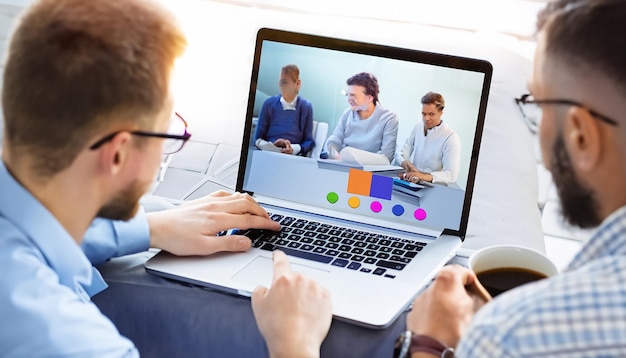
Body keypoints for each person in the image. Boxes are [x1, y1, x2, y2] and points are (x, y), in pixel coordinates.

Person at [0, 0, 331, 356]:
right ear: (117, 154)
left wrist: (151, 227)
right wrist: (294, 344)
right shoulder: (73, 342)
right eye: (167, 133)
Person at [402, 0, 626, 356]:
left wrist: (429, 345)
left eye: (536, 104)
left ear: (581, 135)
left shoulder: (509, 334)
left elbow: (449, 174)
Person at [325, 72, 398, 163]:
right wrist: (334, 153)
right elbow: (334, 141)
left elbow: (386, 158)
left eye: (353, 95)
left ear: (369, 98)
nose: (349, 100)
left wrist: (348, 155)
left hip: (369, 173)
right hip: (343, 166)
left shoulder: (389, 118)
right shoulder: (347, 114)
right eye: (348, 95)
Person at [397, 92, 461, 185]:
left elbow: (451, 175)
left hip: (432, 185)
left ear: (441, 112)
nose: (426, 118)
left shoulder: (451, 138)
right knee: (380, 188)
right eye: (424, 114)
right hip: (412, 180)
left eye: (431, 114)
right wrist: (405, 163)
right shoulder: (418, 127)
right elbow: (402, 152)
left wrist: (423, 176)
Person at [254, 64, 315, 156]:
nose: (281, 87)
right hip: (268, 154)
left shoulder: (306, 106)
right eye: (280, 83)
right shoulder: (269, 104)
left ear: (297, 84)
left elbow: (309, 142)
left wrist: (292, 148)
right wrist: (272, 146)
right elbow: (257, 139)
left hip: (293, 157)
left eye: (285, 82)